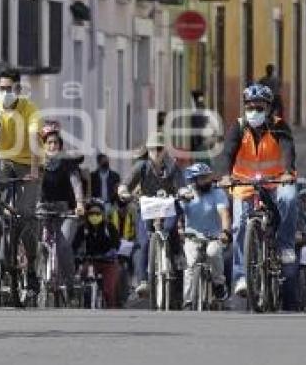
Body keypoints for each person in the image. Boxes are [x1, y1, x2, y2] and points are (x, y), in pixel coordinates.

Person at [215, 84, 298, 301]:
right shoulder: (238, 127)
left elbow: (288, 150)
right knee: (239, 224)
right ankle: (241, 276)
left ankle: (285, 246)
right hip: (244, 183)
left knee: (289, 198)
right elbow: (227, 153)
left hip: (275, 181)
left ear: (268, 108)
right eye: (250, 107)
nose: (254, 111)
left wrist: (288, 172)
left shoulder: (280, 126)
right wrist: (225, 175)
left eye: (259, 107)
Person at [118, 131, 184, 297]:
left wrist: (185, 191)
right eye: (153, 149)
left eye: (160, 149)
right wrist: (123, 191)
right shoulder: (141, 167)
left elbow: (182, 185)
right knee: (143, 241)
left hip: (168, 205)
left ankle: (177, 255)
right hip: (147, 206)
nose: (156, 152)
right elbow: (126, 183)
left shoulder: (173, 166)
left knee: (170, 228)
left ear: (165, 150)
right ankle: (143, 281)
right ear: (148, 150)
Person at [0, 68, 42, 290]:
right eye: (1, 89)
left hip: (28, 164)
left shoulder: (29, 109)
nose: (5, 93)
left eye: (9, 89)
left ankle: (31, 267)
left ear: (18, 89)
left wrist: (33, 170)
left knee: (26, 214)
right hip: (4, 163)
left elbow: (33, 139)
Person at [37, 121, 84, 294]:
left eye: (56, 142)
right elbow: (33, 185)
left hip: (66, 212)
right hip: (43, 211)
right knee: (39, 243)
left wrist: (79, 204)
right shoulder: (39, 165)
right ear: (44, 145)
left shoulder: (67, 164)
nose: (52, 145)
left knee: (63, 245)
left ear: (61, 145)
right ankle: (35, 279)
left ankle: (70, 284)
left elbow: (76, 182)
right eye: (49, 143)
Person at [178, 163, 231, 308]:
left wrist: (225, 232)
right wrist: (180, 228)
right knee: (191, 263)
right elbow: (178, 212)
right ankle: (188, 300)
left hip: (214, 236)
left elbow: (224, 213)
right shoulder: (186, 193)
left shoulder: (217, 193)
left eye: (208, 177)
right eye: (202, 178)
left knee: (213, 252)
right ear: (193, 180)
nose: (207, 180)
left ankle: (219, 284)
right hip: (192, 236)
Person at [72, 199, 121, 307]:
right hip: (90, 262)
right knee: (83, 280)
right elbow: (74, 246)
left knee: (109, 291)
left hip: (108, 263)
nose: (94, 216)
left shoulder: (109, 227)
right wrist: (78, 257)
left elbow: (116, 244)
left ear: (102, 214)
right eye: (91, 213)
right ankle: (80, 302)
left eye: (97, 213)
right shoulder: (82, 228)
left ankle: (112, 311)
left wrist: (111, 252)